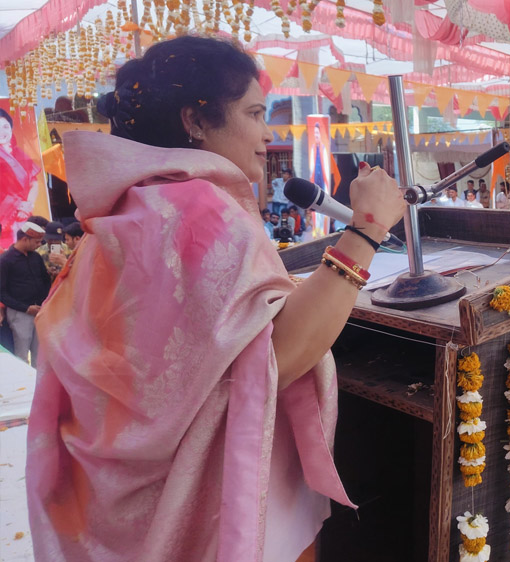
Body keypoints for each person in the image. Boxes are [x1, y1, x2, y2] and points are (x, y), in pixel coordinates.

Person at [26, 37, 408, 561]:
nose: (267, 133)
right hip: (209, 513)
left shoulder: (134, 206)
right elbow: (274, 359)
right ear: (196, 121)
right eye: (254, 113)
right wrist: (366, 231)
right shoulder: (197, 208)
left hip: (111, 506)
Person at [0, 222, 50, 365]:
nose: (39, 245)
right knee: (21, 353)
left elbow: (45, 281)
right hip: (20, 313)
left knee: (39, 353)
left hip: (39, 311)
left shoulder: (36, 257)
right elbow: (2, 292)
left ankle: (38, 379)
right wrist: (26, 308)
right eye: (36, 242)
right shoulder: (6, 260)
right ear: (25, 239)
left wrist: (44, 303)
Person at [0, 107, 42, 248]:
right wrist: (17, 205)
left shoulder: (19, 153)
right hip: (5, 216)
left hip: (24, 214)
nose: (2, 132)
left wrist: (27, 206)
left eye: (5, 127)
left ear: (11, 128)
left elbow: (33, 183)